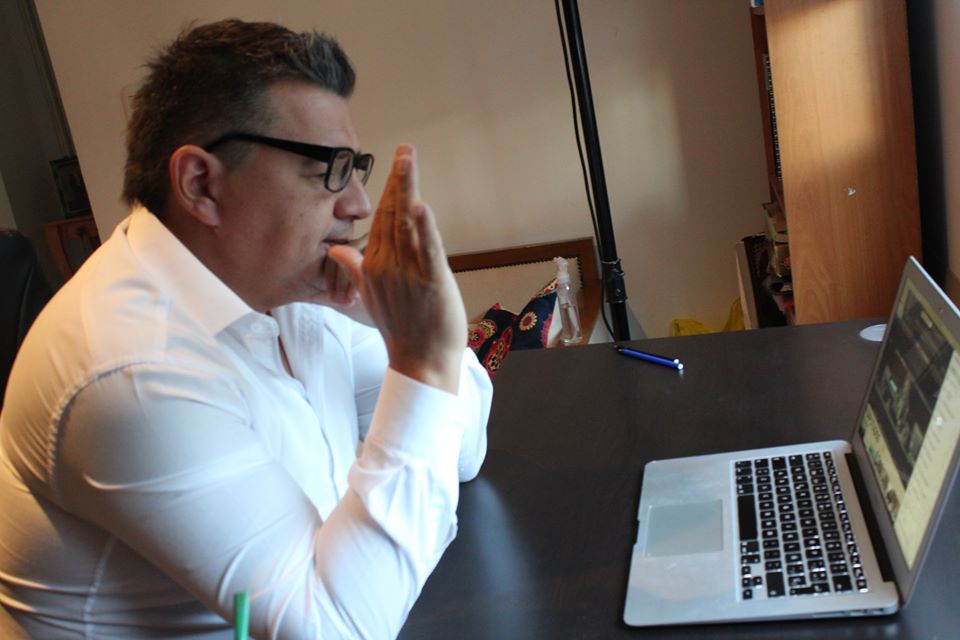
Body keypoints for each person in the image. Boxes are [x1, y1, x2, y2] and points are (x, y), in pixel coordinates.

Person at [0, 19, 492, 639]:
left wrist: (408, 341)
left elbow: (464, 452)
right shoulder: (129, 371)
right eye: (327, 169)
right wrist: (422, 358)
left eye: (356, 167)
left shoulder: (289, 287)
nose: (359, 205)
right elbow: (335, 629)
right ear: (201, 185)